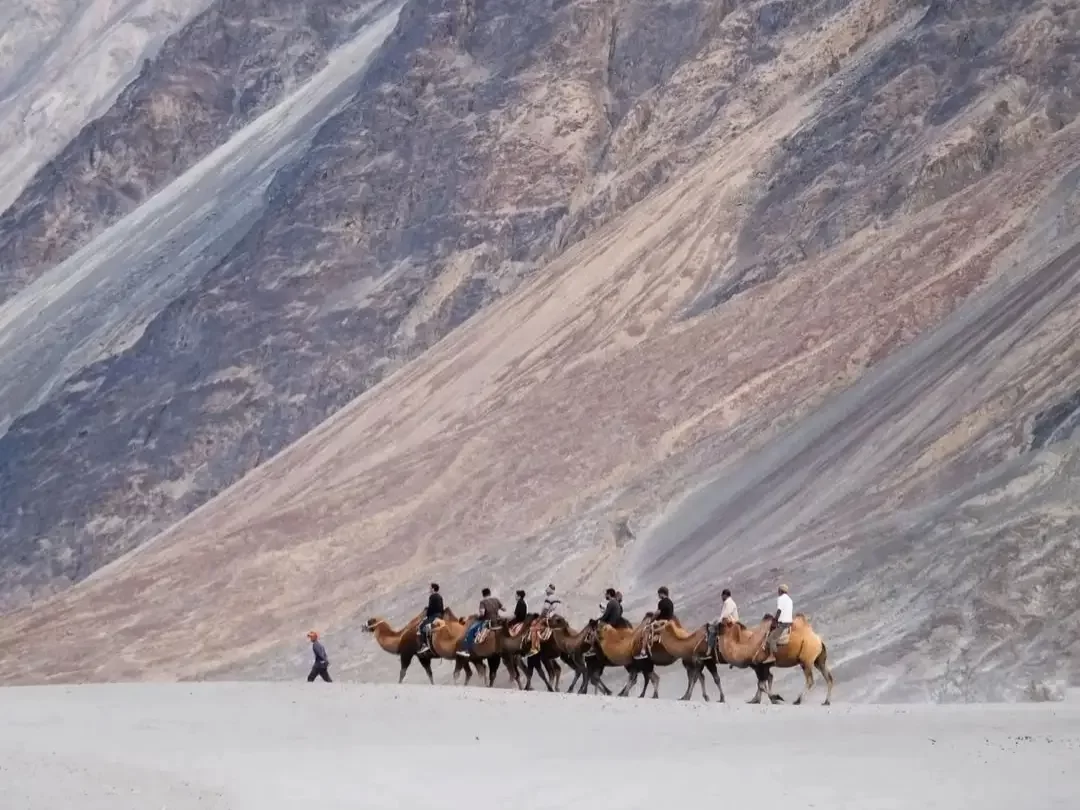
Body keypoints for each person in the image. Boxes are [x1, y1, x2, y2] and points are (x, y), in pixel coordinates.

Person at [461, 587, 505, 656]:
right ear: (490, 593)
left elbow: (482, 613)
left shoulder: (483, 602)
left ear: (483, 595)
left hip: (488, 622)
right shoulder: (496, 600)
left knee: (471, 630)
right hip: (498, 621)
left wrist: (478, 617)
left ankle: (466, 650)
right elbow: (504, 609)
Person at [637, 586, 674, 658]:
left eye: (659, 594)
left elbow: (657, 613)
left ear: (662, 593)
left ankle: (643, 651)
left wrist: (650, 621)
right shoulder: (670, 602)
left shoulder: (662, 602)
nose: (658, 596)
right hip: (669, 622)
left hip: (661, 623)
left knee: (646, 630)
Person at [765, 584, 794, 660]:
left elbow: (779, 610)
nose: (778, 592)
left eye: (778, 591)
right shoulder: (790, 600)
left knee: (771, 638)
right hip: (789, 623)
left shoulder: (781, 598)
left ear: (781, 591)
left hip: (783, 624)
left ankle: (772, 656)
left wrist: (775, 619)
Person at [418, 582, 443, 655]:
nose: (429, 590)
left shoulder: (432, 597)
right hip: (440, 615)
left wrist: (427, 616)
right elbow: (441, 608)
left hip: (434, 616)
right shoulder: (440, 596)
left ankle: (424, 645)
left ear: (433, 589)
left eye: (430, 588)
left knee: (421, 626)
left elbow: (431, 609)